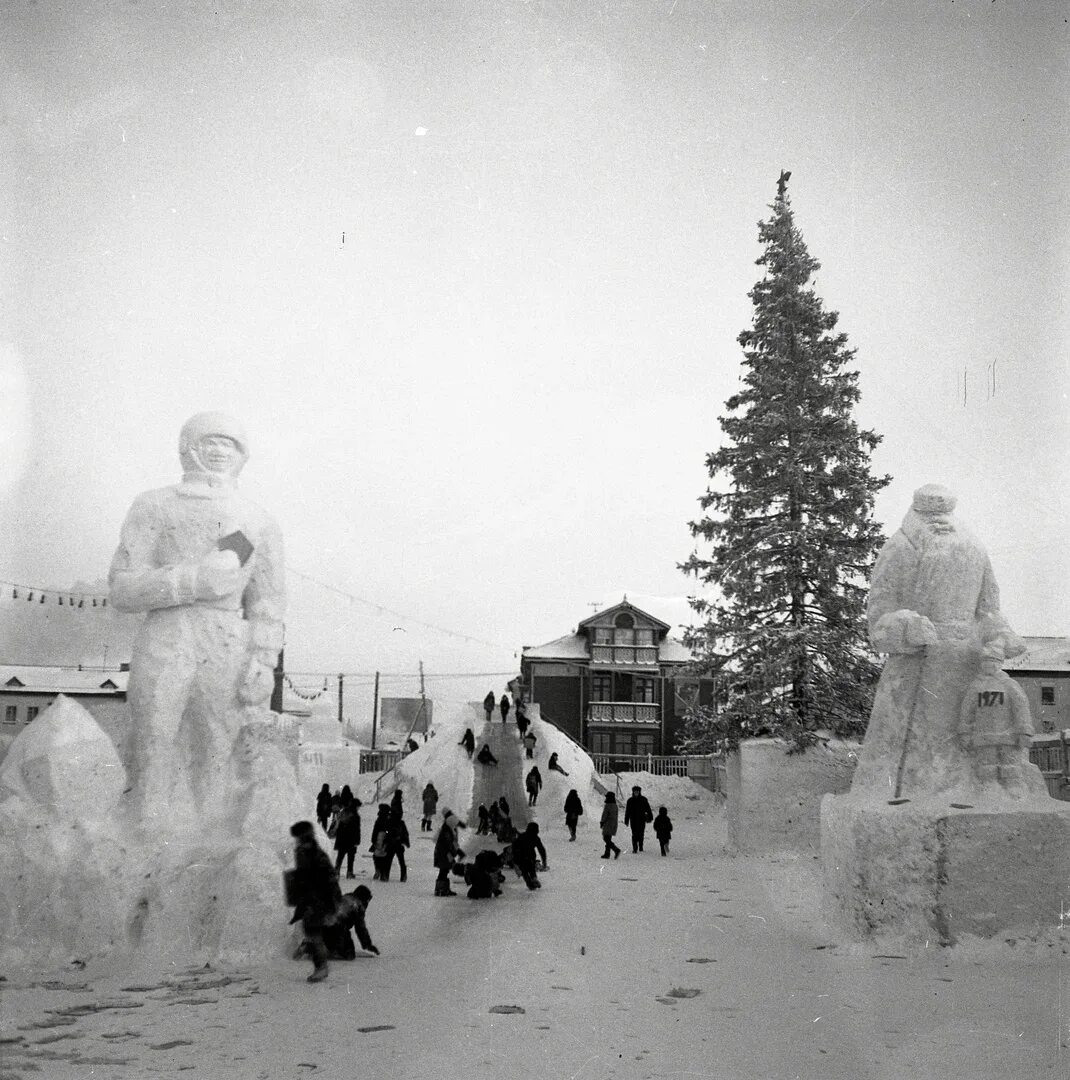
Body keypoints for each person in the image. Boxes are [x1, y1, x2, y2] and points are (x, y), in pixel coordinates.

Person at [109, 412, 286, 830]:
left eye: (230, 444)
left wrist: (263, 660)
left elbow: (267, 601)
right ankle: (146, 837)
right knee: (153, 739)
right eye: (210, 442)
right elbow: (122, 588)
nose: (220, 451)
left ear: (243, 454)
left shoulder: (256, 519)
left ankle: (212, 845)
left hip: (226, 638)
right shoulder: (155, 504)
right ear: (189, 446)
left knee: (218, 749)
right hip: (166, 632)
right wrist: (190, 580)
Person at [850, 484, 1038, 799]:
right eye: (931, 515)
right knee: (915, 771)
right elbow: (878, 621)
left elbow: (989, 608)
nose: (940, 524)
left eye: (944, 515)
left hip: (969, 667)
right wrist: (906, 628)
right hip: (917, 672)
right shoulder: (897, 549)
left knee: (980, 746)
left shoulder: (973, 548)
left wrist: (999, 635)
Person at [957, 642, 1035, 790]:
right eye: (985, 662)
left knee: (1010, 764)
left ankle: (1013, 788)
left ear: (999, 663)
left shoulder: (1009, 684)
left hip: (1008, 735)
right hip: (984, 734)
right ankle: (989, 787)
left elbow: (1021, 707)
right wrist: (965, 732)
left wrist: (1024, 731)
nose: (989, 665)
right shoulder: (976, 686)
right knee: (986, 765)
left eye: (992, 661)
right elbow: (967, 710)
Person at [287, 820, 342, 983]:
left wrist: (333, 903)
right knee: (310, 930)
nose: (296, 842)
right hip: (310, 899)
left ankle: (321, 967)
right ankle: (315, 957)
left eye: (298, 838)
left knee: (314, 932)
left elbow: (330, 880)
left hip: (318, 900)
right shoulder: (303, 852)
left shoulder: (316, 856)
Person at [336, 884, 379, 956]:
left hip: (322, 927)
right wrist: (368, 945)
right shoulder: (358, 905)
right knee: (349, 954)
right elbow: (360, 929)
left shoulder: (344, 898)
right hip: (337, 929)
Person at [433, 810, 465, 897]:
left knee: (444, 870)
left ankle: (443, 889)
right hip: (443, 854)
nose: (455, 826)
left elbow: (451, 844)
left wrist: (456, 852)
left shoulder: (448, 830)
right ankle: (441, 889)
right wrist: (455, 852)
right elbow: (448, 845)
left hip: (444, 854)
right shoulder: (447, 832)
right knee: (443, 870)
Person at [510, 821, 547, 890]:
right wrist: (544, 862)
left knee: (524, 871)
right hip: (530, 856)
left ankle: (529, 883)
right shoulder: (536, 838)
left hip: (520, 856)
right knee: (531, 868)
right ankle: (534, 878)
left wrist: (514, 860)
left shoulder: (522, 836)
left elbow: (514, 846)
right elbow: (541, 850)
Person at [332, 797, 361, 879]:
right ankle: (349, 872)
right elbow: (357, 830)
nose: (359, 808)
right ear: (356, 806)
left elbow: (338, 825)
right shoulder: (355, 816)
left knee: (340, 856)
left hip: (341, 838)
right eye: (358, 806)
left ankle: (336, 871)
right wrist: (357, 841)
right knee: (351, 857)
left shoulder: (343, 812)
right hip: (351, 839)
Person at [624, 785, 653, 853]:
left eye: (637, 791)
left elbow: (648, 809)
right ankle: (635, 848)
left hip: (641, 819)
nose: (636, 793)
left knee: (641, 833)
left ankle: (640, 846)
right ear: (633, 792)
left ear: (639, 792)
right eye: (635, 791)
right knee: (634, 834)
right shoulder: (630, 801)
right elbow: (627, 811)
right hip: (633, 820)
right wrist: (626, 820)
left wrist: (650, 817)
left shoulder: (644, 800)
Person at [369, 803, 393, 881]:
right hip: (386, 839)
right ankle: (383, 874)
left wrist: (373, 840)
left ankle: (377, 870)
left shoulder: (379, 819)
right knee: (385, 857)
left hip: (378, 839)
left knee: (376, 856)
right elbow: (390, 831)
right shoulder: (389, 819)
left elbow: (375, 830)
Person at [388, 803, 411, 883]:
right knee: (401, 861)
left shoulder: (389, 822)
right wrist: (406, 842)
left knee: (388, 860)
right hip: (399, 844)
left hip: (390, 844)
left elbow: (387, 833)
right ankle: (403, 876)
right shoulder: (401, 823)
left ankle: (385, 875)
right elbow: (405, 833)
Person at [600, 792, 621, 859]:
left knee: (606, 838)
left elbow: (604, 815)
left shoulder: (608, 805)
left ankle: (616, 850)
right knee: (608, 838)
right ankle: (607, 853)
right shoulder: (615, 805)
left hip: (608, 824)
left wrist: (602, 822)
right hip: (613, 824)